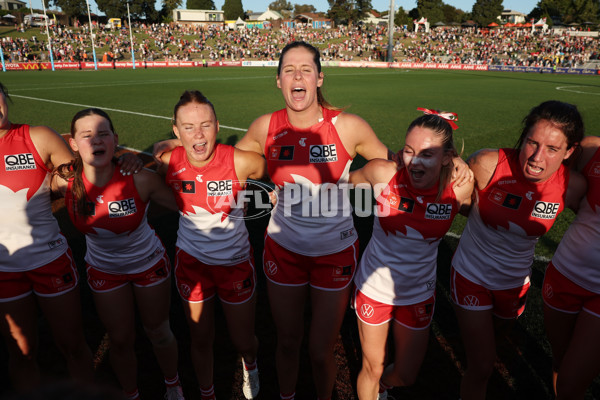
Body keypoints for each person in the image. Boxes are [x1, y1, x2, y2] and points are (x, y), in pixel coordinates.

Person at [153, 42, 471, 400]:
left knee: (320, 351)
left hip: (334, 254)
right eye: (289, 69)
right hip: (283, 250)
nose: (298, 75)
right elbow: (221, 159)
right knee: (288, 343)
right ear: (278, 81)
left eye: (306, 69)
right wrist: (171, 144)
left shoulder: (348, 126)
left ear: (320, 77)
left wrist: (453, 163)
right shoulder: (264, 127)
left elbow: (398, 166)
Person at [450, 100, 587, 400]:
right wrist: (453, 165)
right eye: (532, 143)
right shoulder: (487, 164)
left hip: (515, 284)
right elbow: (459, 206)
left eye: (552, 148)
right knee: (483, 366)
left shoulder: (572, 186)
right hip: (470, 275)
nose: (537, 157)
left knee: (497, 341)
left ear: (570, 152)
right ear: (522, 138)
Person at [51, 108, 184, 400]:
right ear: (72, 143)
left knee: (159, 332)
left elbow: (186, 204)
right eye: (86, 136)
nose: (95, 140)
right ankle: (131, 393)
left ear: (115, 140)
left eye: (103, 134)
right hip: (104, 271)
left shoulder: (139, 179)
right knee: (121, 340)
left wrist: (168, 153)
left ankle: (173, 386)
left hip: (149, 264)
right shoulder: (64, 182)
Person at [351, 111, 473, 400]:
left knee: (406, 375)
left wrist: (461, 162)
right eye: (408, 151)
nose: (414, 162)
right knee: (373, 367)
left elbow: (479, 208)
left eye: (427, 154)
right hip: (373, 287)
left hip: (418, 292)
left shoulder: (460, 186)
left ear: (446, 157)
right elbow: (347, 181)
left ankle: (383, 389)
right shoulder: (383, 173)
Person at [156, 90, 266, 400]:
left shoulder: (242, 162)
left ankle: (250, 365)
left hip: (235, 264)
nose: (198, 134)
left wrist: (246, 195)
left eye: (205, 124)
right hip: (192, 264)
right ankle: (207, 393)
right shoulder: (168, 161)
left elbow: (263, 172)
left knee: (244, 340)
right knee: (200, 338)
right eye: (188, 127)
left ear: (218, 126)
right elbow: (155, 160)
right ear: (176, 131)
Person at [0, 82, 94, 391]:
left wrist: (65, 181)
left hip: (49, 259)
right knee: (22, 353)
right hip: (4, 270)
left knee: (73, 345)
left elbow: (78, 178)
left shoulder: (36, 137)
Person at [542, 133, 600, 399]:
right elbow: (551, 174)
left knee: (571, 384)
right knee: (560, 361)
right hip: (566, 273)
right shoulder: (591, 149)